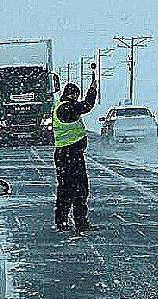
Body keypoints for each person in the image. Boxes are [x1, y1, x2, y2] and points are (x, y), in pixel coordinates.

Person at [53, 72, 97, 232]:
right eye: (75, 95)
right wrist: (92, 91)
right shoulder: (65, 108)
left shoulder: (64, 106)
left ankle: (70, 221)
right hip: (68, 154)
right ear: (71, 95)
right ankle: (71, 221)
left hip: (70, 154)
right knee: (72, 189)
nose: (76, 98)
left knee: (73, 188)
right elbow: (85, 106)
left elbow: (81, 108)